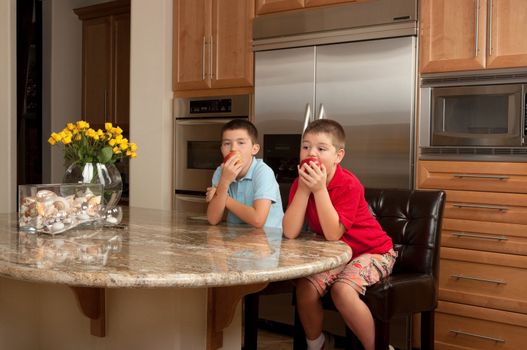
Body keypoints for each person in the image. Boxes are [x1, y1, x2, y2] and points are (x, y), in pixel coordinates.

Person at [282, 119, 397, 350]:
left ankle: (378, 347)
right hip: (336, 255)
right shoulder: (300, 183)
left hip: (373, 252)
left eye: (321, 149)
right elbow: (290, 231)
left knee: (342, 291)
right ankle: (318, 344)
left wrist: (319, 189)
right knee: (305, 287)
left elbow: (333, 233)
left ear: (338, 156)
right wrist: (304, 191)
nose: (310, 153)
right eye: (305, 147)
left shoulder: (349, 185)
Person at [206, 119, 283, 228]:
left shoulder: (263, 172)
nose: (233, 148)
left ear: (254, 149)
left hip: (267, 239)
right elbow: (213, 219)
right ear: (221, 149)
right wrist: (224, 181)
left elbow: (258, 220)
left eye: (241, 143)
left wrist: (223, 197)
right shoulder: (221, 172)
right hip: (236, 238)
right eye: (227, 143)